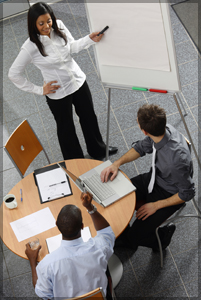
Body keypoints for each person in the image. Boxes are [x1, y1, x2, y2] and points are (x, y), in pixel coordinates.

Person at [8, 2, 118, 160]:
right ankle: (76, 161)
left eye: (48, 21)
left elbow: (71, 47)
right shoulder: (30, 47)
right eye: (41, 23)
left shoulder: (58, 26)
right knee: (66, 128)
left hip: (77, 81)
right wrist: (39, 89)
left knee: (89, 117)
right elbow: (13, 74)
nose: (47, 26)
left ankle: (98, 150)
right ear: (33, 24)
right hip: (57, 92)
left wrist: (90, 39)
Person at [101, 104, 195, 251]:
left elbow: (187, 193)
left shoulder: (175, 161)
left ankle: (162, 238)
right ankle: (126, 235)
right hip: (153, 178)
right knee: (116, 196)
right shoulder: (162, 130)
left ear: (144, 131)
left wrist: (155, 205)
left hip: (169, 193)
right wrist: (117, 163)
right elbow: (140, 148)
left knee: (133, 238)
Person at [25, 191, 115, 299]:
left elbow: (42, 293)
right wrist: (90, 207)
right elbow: (106, 233)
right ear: (82, 226)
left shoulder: (46, 265)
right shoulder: (99, 247)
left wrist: (32, 261)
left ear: (57, 225)